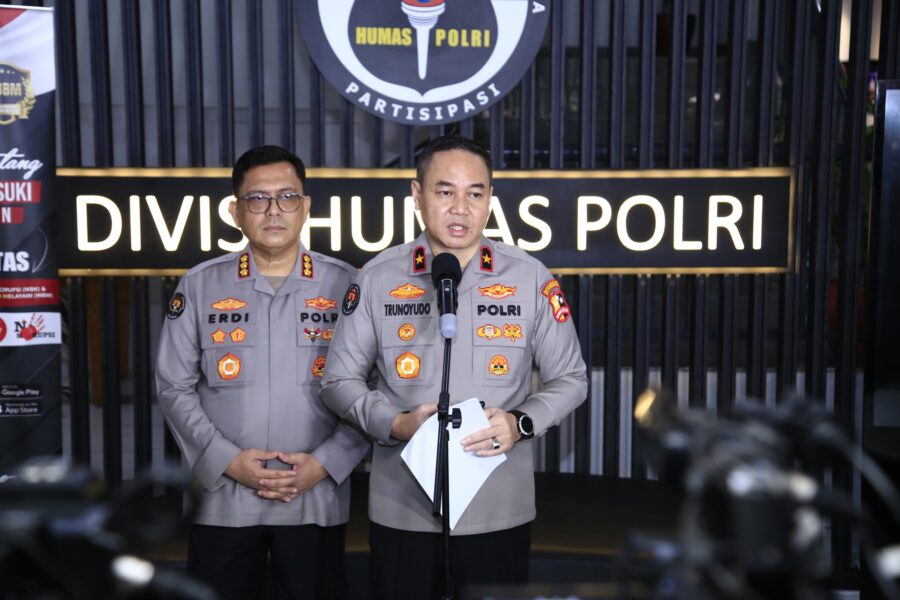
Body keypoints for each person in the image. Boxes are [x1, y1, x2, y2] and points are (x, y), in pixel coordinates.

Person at [321, 134, 588, 599]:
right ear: (417, 194)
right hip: (403, 507)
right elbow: (337, 381)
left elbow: (572, 379)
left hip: (497, 507)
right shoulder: (378, 277)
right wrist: (393, 423)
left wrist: (520, 423)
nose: (461, 208)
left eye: (475, 193)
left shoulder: (529, 277)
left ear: (490, 198)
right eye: (445, 192)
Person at [156, 145, 369, 600]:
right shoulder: (201, 285)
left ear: (305, 207)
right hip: (222, 500)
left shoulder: (349, 285)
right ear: (236, 212)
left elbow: (372, 388)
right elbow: (174, 387)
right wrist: (226, 460)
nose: (274, 210)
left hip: (314, 496)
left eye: (287, 197)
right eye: (257, 199)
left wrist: (325, 464)